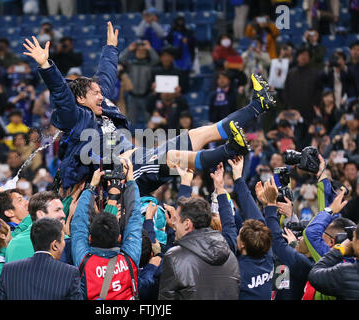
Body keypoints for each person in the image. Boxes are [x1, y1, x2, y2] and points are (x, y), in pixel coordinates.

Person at [23, 22, 276, 197]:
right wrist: (46, 66)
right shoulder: (76, 118)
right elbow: (61, 96)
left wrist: (111, 48)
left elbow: (106, 76)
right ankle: (232, 149)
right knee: (174, 159)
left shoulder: (102, 105)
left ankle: (258, 105)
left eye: (101, 92)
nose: (102, 94)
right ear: (80, 99)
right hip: (126, 173)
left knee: (199, 134)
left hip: (140, 154)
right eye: (95, 93)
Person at [71, 160, 142, 300]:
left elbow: (79, 224)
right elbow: (134, 219)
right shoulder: (130, 259)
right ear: (120, 238)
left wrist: (92, 187)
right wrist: (131, 181)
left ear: (90, 238)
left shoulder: (84, 260)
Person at [158, 195, 240, 300]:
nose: (174, 224)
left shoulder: (174, 258)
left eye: (176, 220)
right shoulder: (230, 256)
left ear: (187, 224)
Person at [216, 157, 275, 300]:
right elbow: (255, 216)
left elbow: (229, 227)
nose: (237, 233)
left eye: (239, 233)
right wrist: (238, 178)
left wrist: (220, 190)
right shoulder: (268, 254)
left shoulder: (234, 271)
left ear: (242, 245)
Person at [0, 217, 82, 300]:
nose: (64, 243)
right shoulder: (69, 273)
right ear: (54, 245)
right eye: (63, 239)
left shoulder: (8, 269)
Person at [4, 191, 66, 263]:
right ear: (40, 214)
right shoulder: (64, 241)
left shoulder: (14, 243)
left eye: (62, 210)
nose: (63, 215)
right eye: (57, 210)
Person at [308, 223, 359, 299]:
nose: (351, 242)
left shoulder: (345, 273)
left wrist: (339, 250)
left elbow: (314, 276)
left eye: (353, 238)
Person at [120, 39, 160, 124]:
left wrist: (149, 48)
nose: (141, 52)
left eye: (143, 50)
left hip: (146, 96)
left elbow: (157, 60)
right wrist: (129, 49)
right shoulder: (130, 64)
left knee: (149, 120)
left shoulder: (149, 64)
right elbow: (121, 59)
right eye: (139, 50)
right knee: (130, 121)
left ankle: (150, 136)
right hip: (132, 97)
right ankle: (131, 137)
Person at [283, 47, 322, 121]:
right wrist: (288, 106)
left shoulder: (315, 73)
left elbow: (318, 91)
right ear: (297, 57)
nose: (303, 57)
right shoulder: (291, 73)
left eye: (306, 55)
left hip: (310, 111)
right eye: (301, 54)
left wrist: (315, 104)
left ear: (309, 58)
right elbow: (286, 91)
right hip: (293, 110)